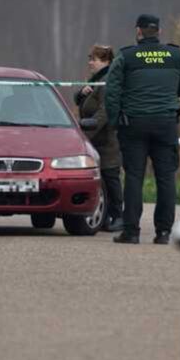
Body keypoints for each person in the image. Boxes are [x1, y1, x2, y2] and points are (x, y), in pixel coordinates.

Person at [104, 14, 180, 244]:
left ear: (138, 31)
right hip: (166, 123)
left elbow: (112, 92)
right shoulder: (176, 55)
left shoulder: (126, 56)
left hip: (134, 124)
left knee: (134, 177)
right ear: (159, 31)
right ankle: (164, 232)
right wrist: (167, 92)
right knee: (166, 177)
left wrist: (115, 121)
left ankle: (131, 232)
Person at [74, 44, 124, 232]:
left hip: (107, 140)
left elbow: (104, 113)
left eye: (94, 59)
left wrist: (84, 136)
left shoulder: (108, 82)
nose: (90, 63)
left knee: (111, 178)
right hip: (94, 138)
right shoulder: (96, 80)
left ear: (106, 61)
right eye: (90, 58)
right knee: (100, 180)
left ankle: (118, 215)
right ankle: (105, 217)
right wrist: (81, 93)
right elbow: (79, 100)